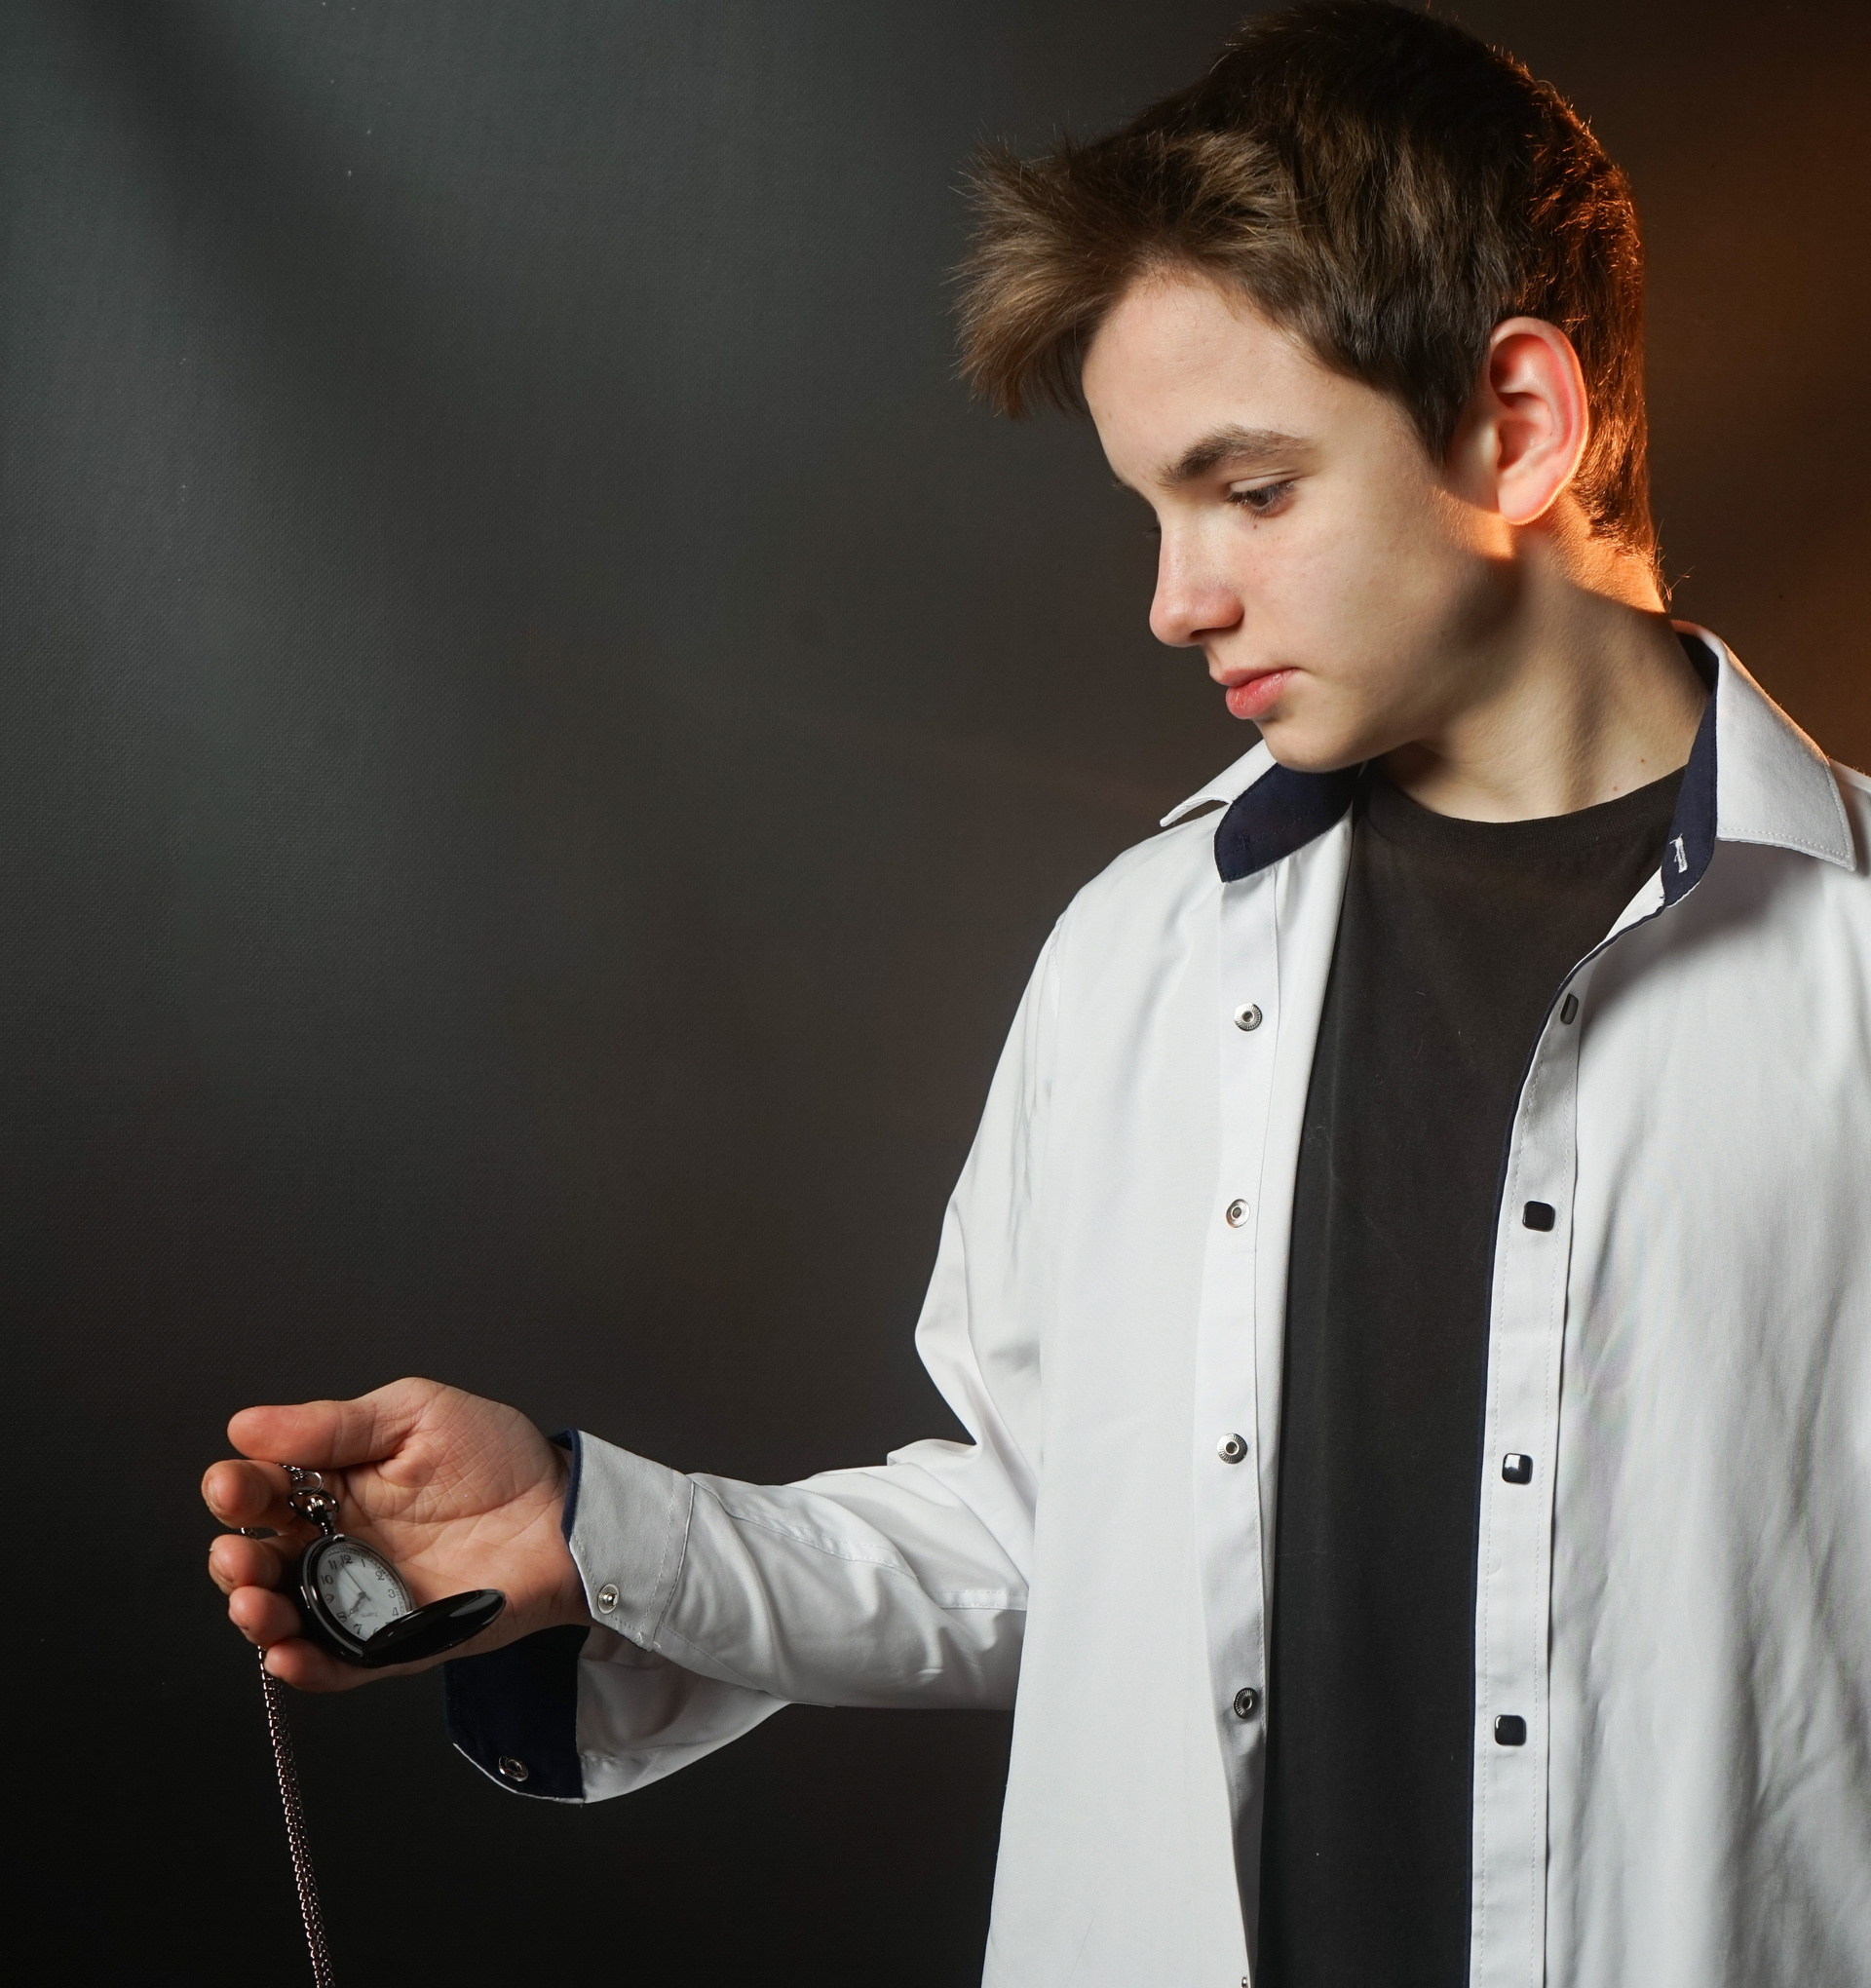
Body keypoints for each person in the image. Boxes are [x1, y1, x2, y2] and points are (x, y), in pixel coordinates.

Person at [202, 5, 1871, 1983]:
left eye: (1251, 490)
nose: (1176, 598)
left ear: (1516, 423)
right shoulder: (1136, 957)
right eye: (1153, 507)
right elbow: (1038, 1540)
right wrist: (586, 1531)